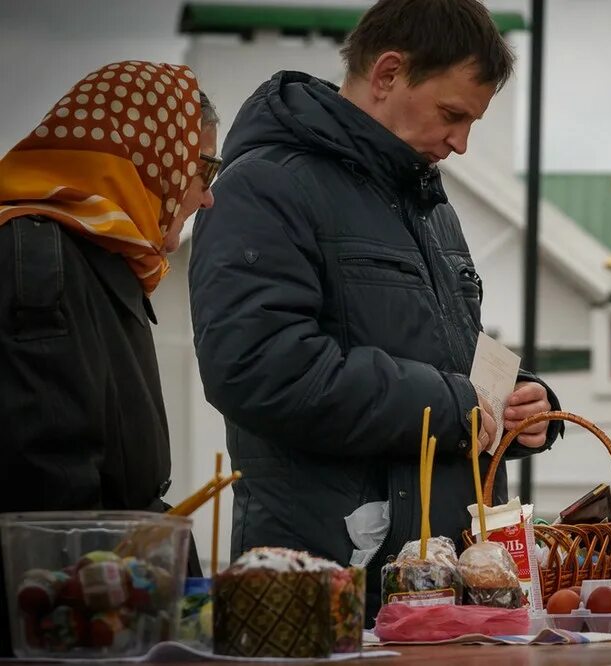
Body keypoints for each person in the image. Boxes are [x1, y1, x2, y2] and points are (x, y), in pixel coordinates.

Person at [188, 0, 563, 622]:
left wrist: (519, 403)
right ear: (388, 74)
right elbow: (259, 368)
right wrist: (463, 408)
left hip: (442, 590)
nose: (462, 144)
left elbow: (452, 358)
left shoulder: (428, 205)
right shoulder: (265, 187)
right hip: (329, 588)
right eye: (452, 115)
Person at [0, 60, 220, 654]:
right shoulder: (38, 256)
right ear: (147, 157)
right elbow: (49, 478)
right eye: (202, 167)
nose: (206, 194)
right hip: (72, 617)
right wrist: (112, 603)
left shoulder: (95, 256)